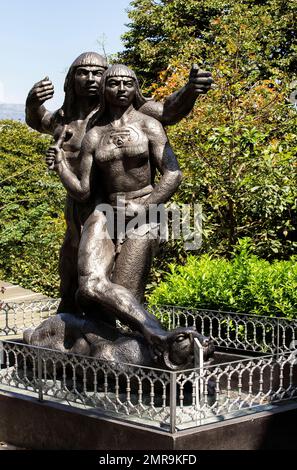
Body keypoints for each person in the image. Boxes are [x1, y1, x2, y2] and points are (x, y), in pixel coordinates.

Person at [26, 52, 213, 313]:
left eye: (98, 72)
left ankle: (144, 340)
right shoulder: (70, 121)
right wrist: (32, 103)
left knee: (123, 289)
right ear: (72, 78)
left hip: (132, 210)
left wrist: (190, 90)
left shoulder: (141, 116)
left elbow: (169, 112)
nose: (92, 79)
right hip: (87, 211)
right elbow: (39, 120)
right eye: (84, 72)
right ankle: (80, 343)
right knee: (79, 288)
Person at [46, 64, 184, 351]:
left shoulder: (149, 125)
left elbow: (172, 174)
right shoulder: (95, 135)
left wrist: (146, 208)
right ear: (105, 90)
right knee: (90, 287)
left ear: (136, 88)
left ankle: (143, 344)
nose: (121, 89)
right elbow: (83, 191)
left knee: (126, 290)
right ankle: (149, 338)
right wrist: (60, 165)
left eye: (128, 83)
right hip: (108, 212)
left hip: (146, 210)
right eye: (114, 83)